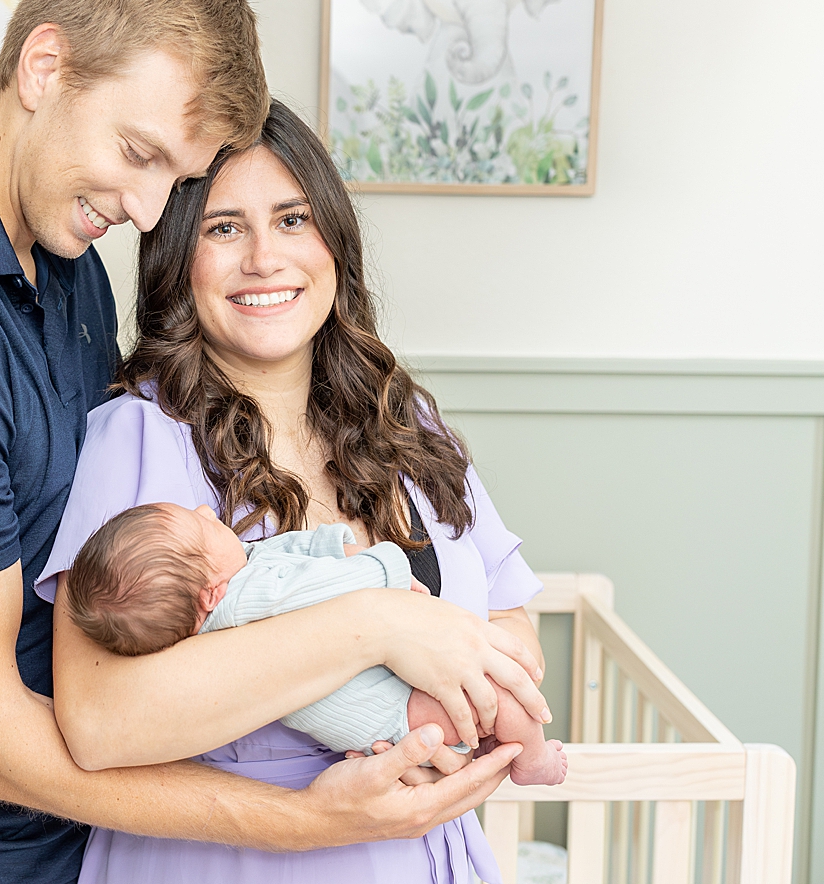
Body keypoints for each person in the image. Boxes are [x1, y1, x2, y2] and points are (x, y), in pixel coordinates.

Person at [0, 0, 545, 884]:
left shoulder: (63, 260)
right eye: (139, 154)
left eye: (170, 177)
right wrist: (306, 819)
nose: (143, 210)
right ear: (43, 66)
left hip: (49, 842)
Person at [35, 99, 552, 883]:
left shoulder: (404, 421)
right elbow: (102, 721)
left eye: (291, 219)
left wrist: (447, 724)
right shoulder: (140, 438)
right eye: (223, 228)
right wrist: (377, 625)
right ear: (178, 260)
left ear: (333, 242)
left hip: (425, 854)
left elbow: (513, 623)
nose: (264, 260)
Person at [66, 502, 568, 783]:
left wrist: (331, 544)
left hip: (387, 714)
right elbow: (334, 588)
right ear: (210, 596)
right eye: (201, 525)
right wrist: (390, 572)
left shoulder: (240, 577)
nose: (205, 508)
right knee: (500, 699)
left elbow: (291, 553)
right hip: (390, 709)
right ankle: (531, 762)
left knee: (486, 701)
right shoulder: (247, 600)